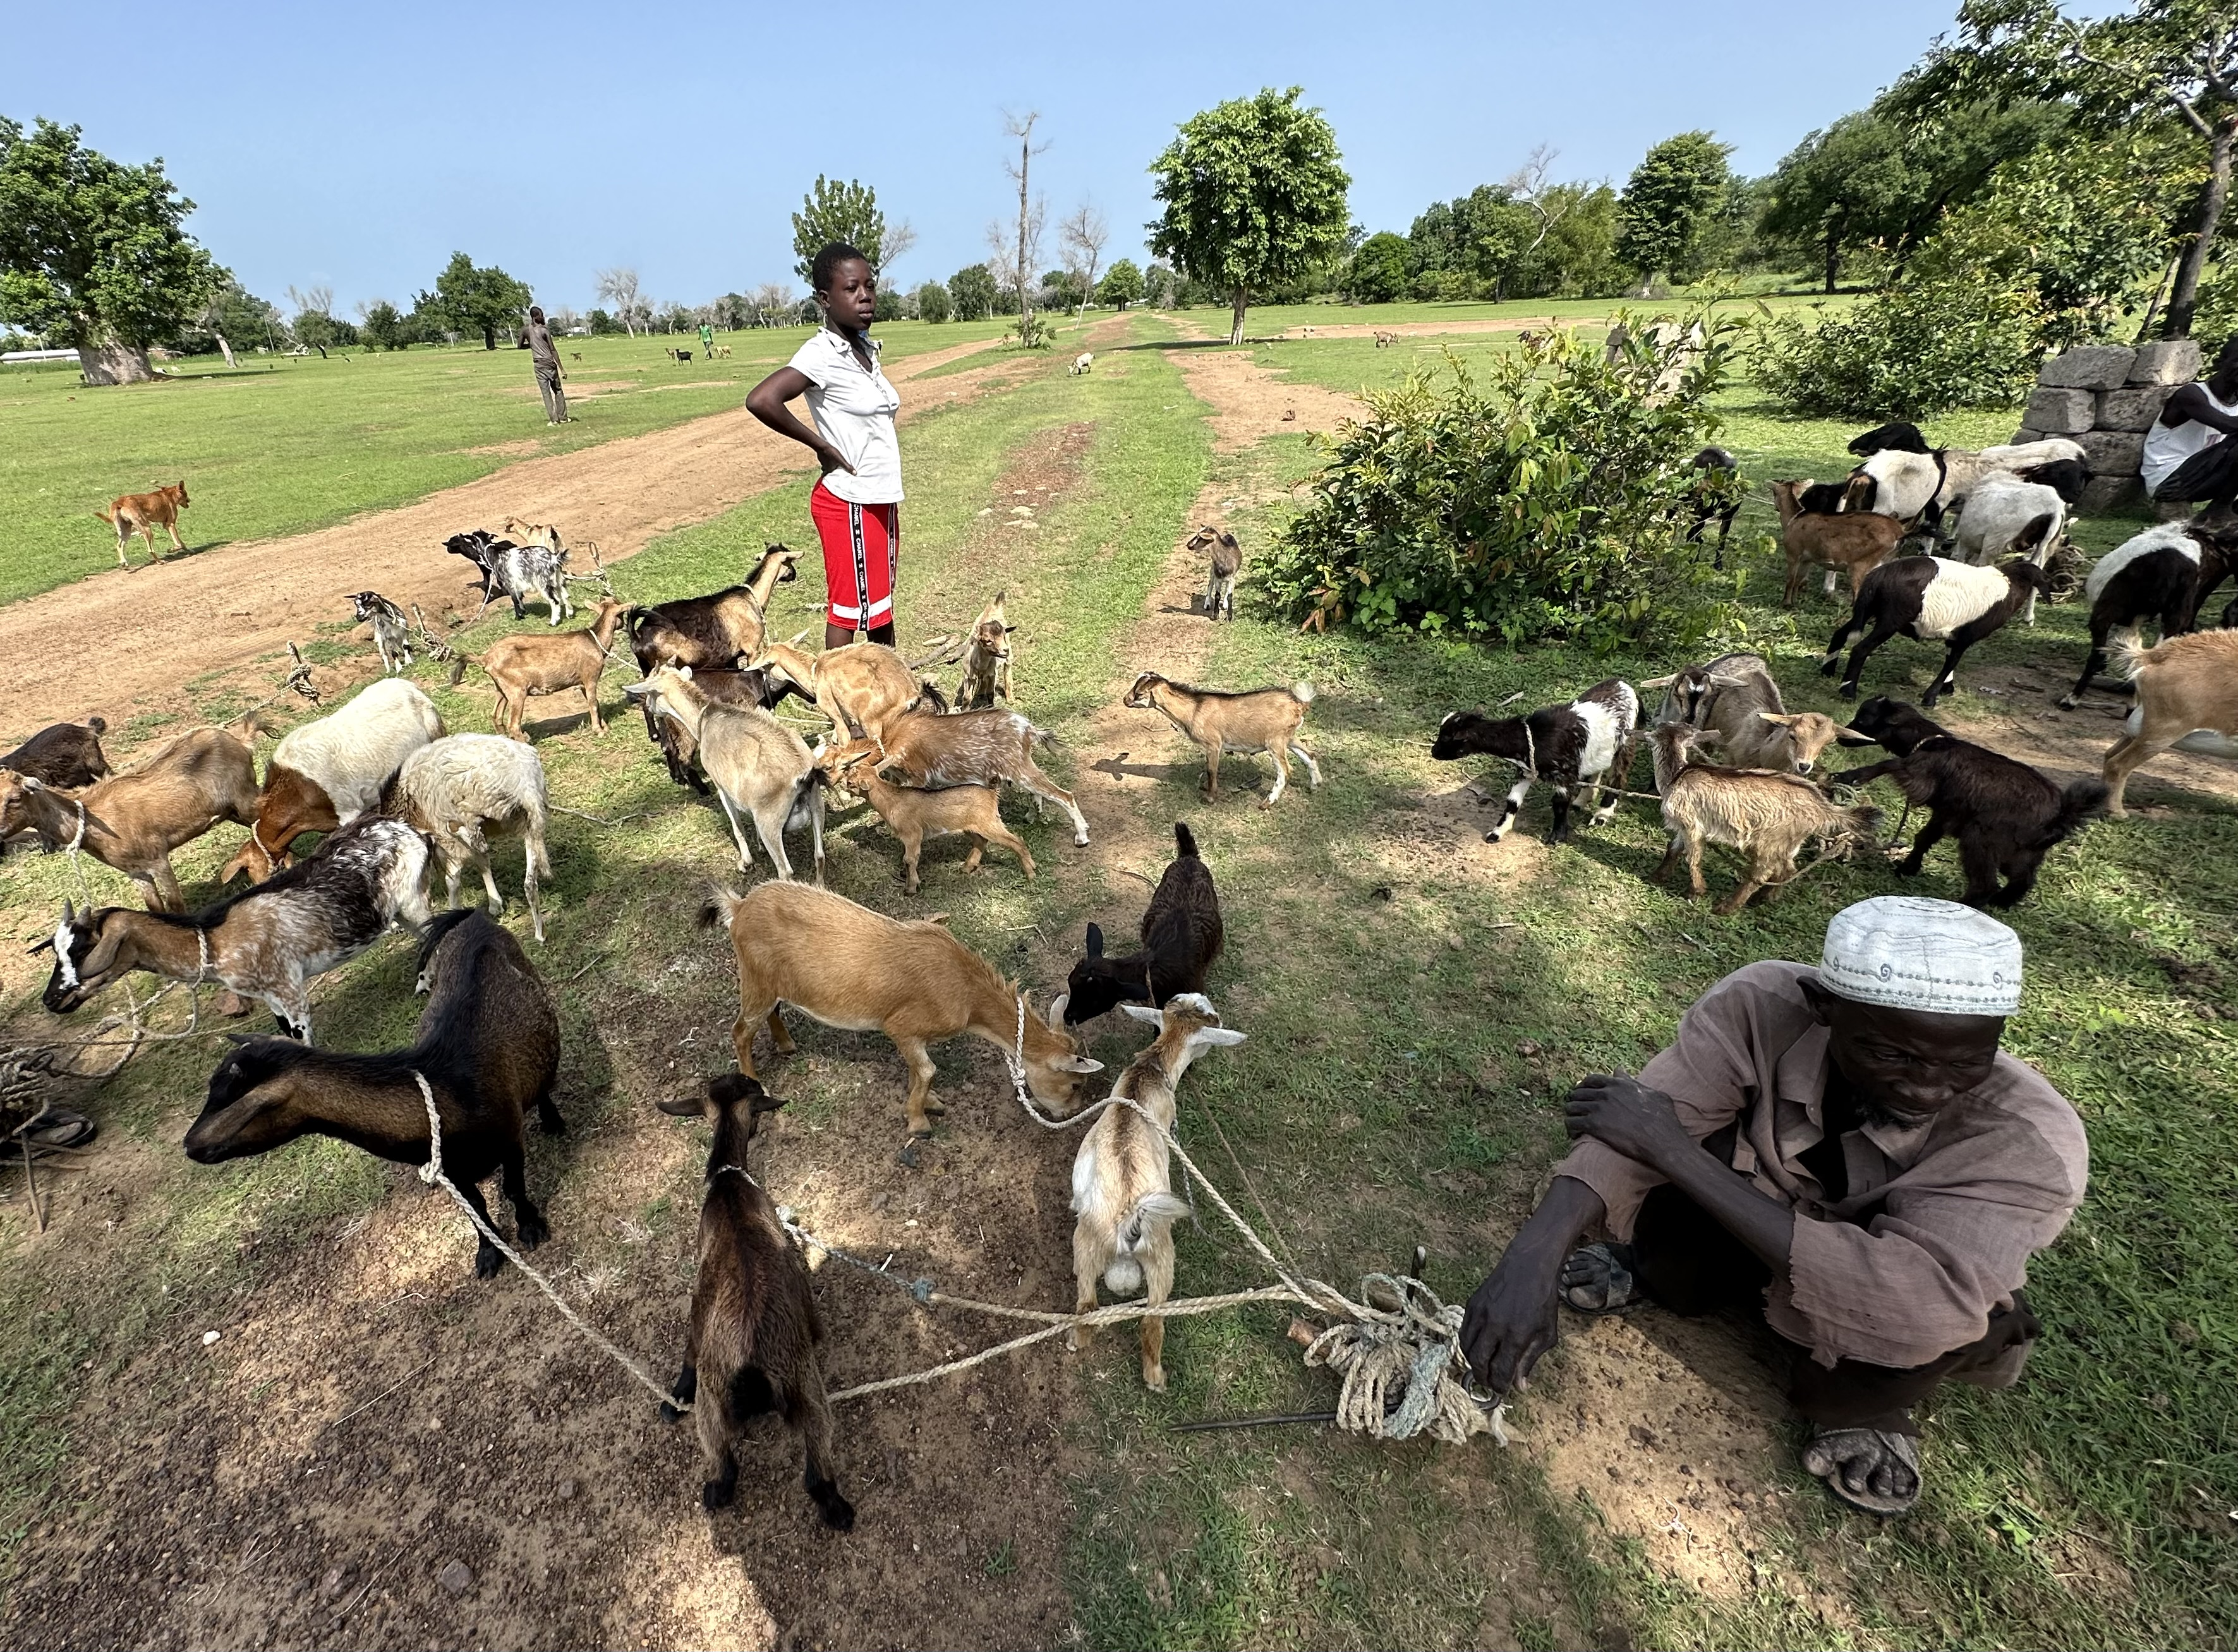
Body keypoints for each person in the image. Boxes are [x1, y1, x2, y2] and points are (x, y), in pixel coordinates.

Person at [1459, 896, 2086, 1516]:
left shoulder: (2031, 1140)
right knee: (1670, 1202)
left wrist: (1676, 1153)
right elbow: (1642, 1118)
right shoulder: (1761, 1004)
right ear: (1823, 1007)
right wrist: (1530, 1259)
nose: (1925, 1085)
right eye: (1890, 1053)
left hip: (1886, 1282)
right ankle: (1653, 1266)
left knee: (1918, 1330)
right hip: (1758, 1209)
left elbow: (1914, 1301)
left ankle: (1867, 1408)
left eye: (1965, 1060)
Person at [745, 244, 903, 648]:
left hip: (881, 496)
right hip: (849, 500)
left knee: (880, 606)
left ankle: (891, 698)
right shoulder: (821, 354)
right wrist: (822, 446)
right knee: (849, 611)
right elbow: (762, 400)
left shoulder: (864, 349)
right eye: (851, 288)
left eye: (870, 285)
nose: (865, 296)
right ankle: (838, 704)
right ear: (825, 299)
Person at [2142, 335, 2238, 516]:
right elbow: (2227, 426)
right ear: (2219, 363)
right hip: (2169, 477)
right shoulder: (2192, 394)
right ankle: (2220, 511)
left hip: (2205, 475)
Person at [523, 305, 569, 426]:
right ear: (535, 317)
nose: (542, 317)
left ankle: (554, 420)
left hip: (538, 364)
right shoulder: (545, 330)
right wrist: (562, 368)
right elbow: (553, 350)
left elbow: (519, 346)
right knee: (558, 390)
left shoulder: (526, 331)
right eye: (540, 315)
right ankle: (563, 417)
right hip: (549, 364)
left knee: (546, 393)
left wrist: (531, 345)